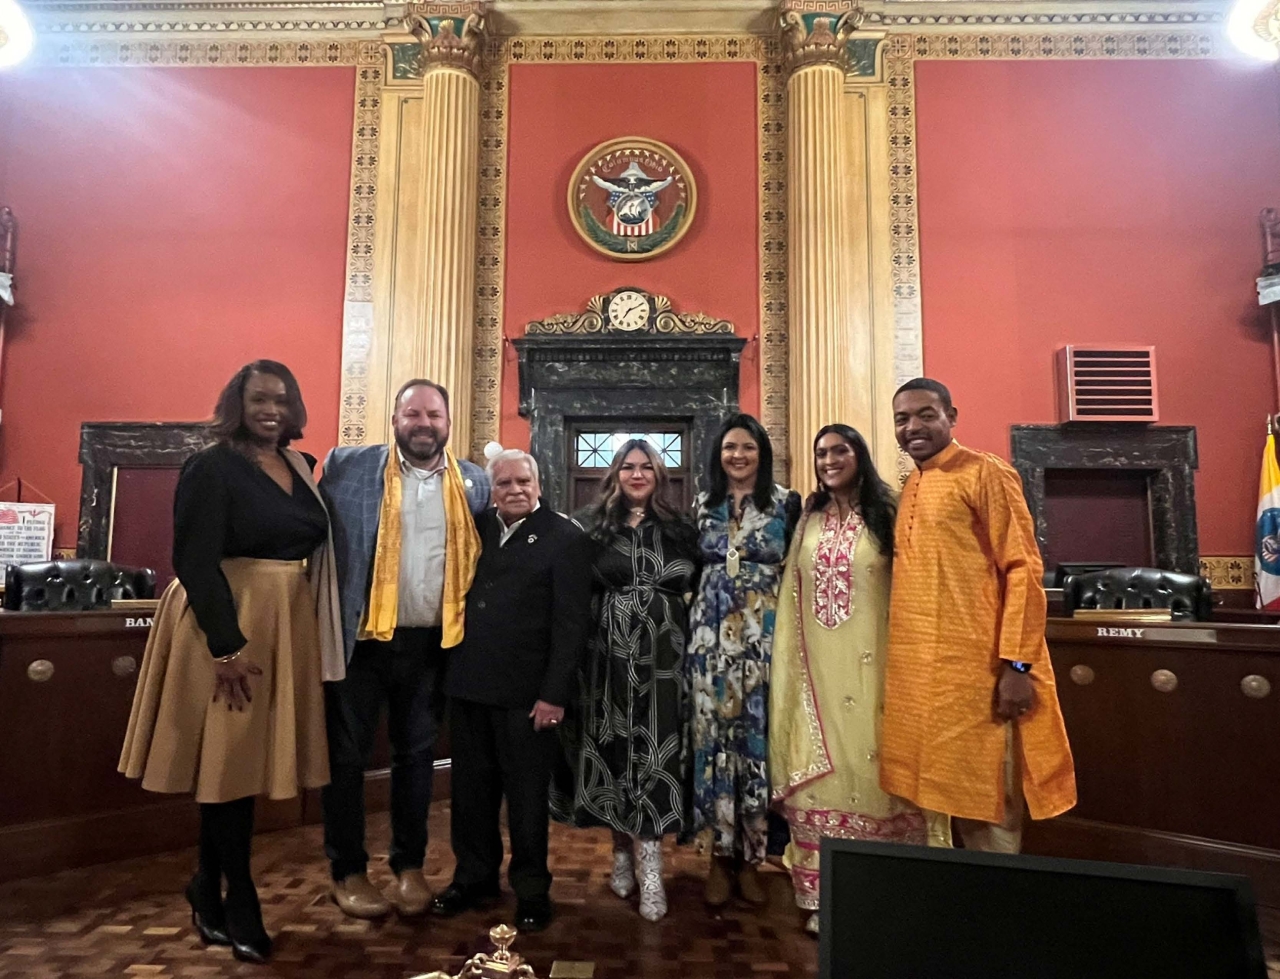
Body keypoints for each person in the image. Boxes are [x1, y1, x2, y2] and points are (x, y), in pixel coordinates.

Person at [119, 360, 342, 963]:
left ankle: (204, 884)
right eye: (258, 399)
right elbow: (194, 560)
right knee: (226, 769)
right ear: (236, 404)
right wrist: (226, 646)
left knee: (238, 768)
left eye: (280, 400)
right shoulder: (211, 465)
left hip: (283, 626)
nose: (270, 410)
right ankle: (237, 895)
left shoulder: (303, 466)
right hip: (226, 626)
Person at [880, 378, 1076, 853]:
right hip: (925, 683)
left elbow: (1023, 570)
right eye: (902, 420)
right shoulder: (911, 486)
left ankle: (995, 913)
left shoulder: (985, 472)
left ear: (952, 416)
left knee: (987, 803)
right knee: (936, 800)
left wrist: (1017, 666)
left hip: (980, 675)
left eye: (926, 414)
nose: (913, 427)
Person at [319, 378, 489, 919]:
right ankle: (347, 871)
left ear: (448, 421)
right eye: (412, 414)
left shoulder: (474, 482)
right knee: (345, 760)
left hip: (430, 646)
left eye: (434, 415)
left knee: (416, 759)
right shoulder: (347, 467)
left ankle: (408, 866)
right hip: (362, 643)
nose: (424, 424)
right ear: (395, 420)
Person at [769, 424, 926, 936]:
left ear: (860, 454)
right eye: (821, 453)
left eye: (841, 450)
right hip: (815, 668)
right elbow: (791, 593)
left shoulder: (892, 511)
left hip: (878, 667)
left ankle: (886, 886)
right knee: (822, 772)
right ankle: (821, 894)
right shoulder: (807, 516)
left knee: (877, 763)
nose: (830, 460)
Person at [429, 449, 594, 933]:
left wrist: (554, 695)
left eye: (524, 481)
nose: (515, 490)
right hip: (470, 684)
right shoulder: (475, 528)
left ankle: (531, 888)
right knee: (471, 794)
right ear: (492, 489)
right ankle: (474, 877)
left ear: (539, 485)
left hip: (528, 696)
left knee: (525, 800)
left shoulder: (565, 539)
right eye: (505, 483)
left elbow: (571, 627)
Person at [553, 439, 699, 922]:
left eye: (646, 468)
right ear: (615, 474)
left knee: (656, 751)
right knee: (614, 750)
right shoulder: (593, 529)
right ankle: (621, 853)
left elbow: (697, 585)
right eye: (628, 467)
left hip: (664, 661)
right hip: (606, 659)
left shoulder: (680, 530)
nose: (637, 475)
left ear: (659, 475)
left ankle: (653, 869)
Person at [687, 414, 800, 908]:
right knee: (713, 743)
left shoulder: (786, 503)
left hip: (763, 638)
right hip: (709, 643)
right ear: (719, 454)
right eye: (730, 447)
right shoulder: (701, 505)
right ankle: (716, 857)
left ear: (762, 453)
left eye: (748, 448)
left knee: (756, 743)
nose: (738, 456)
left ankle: (753, 859)